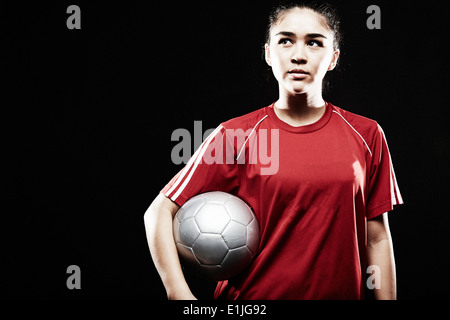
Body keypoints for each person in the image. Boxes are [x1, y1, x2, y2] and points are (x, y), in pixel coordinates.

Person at [144, 2, 403, 300]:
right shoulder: (237, 135)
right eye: (286, 40)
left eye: (314, 43)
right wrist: (179, 295)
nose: (298, 55)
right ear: (268, 53)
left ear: (333, 58)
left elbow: (376, 236)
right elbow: (160, 211)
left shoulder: (367, 134)